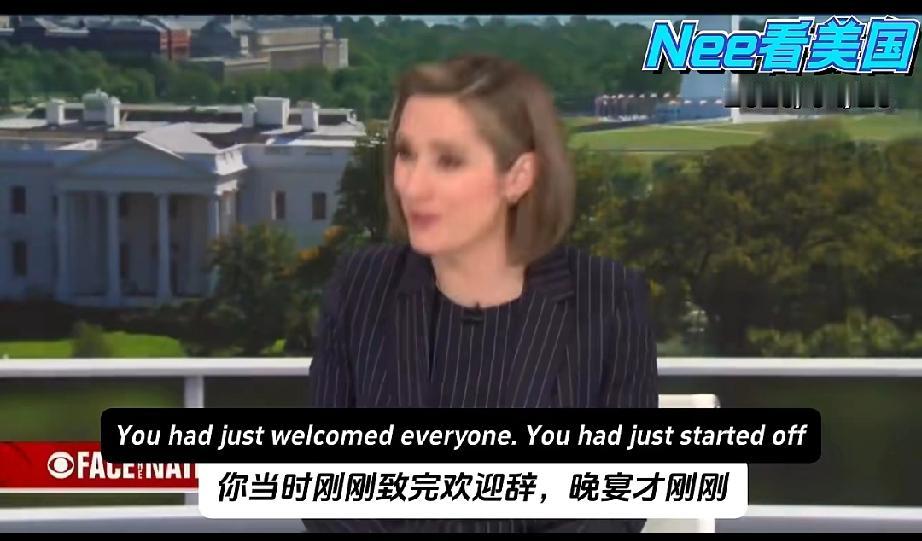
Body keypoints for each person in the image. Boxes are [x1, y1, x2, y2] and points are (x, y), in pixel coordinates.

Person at [303, 53, 659, 533]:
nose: (412, 186)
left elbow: (617, 504)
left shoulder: (608, 299)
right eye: (405, 154)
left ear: (518, 176)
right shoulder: (360, 286)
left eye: (448, 161)